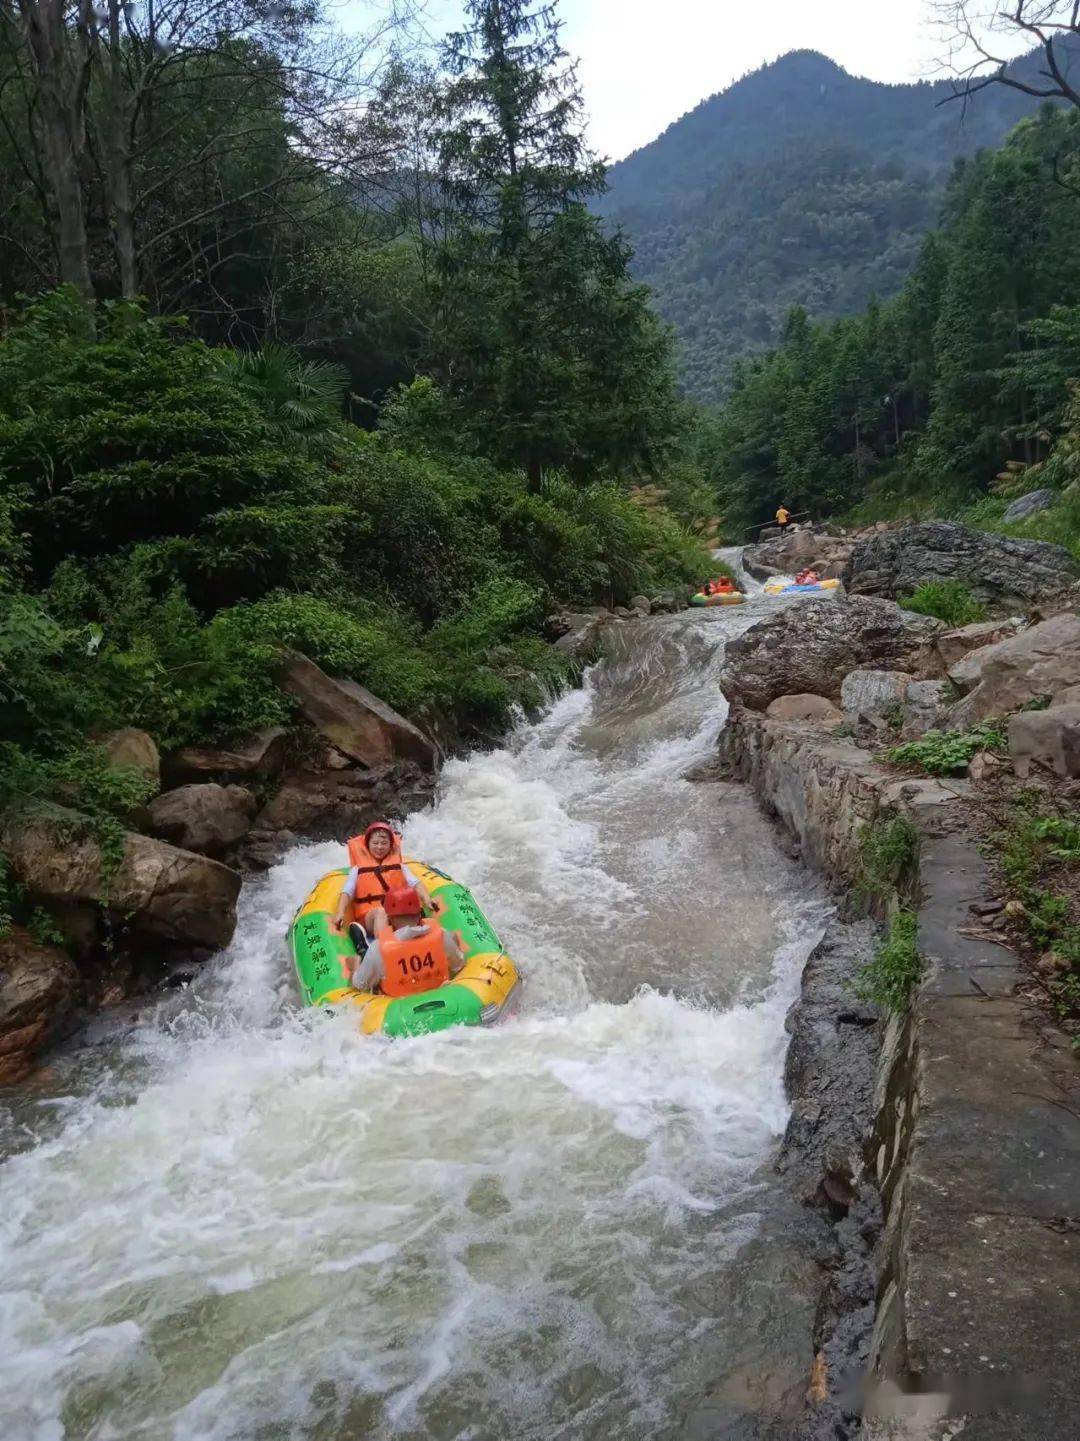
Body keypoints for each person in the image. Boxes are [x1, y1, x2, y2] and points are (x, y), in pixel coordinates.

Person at [349, 885, 466, 996]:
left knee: (367, 972)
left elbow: (360, 986)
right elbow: (458, 966)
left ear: (390, 919)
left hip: (399, 1007)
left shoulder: (377, 948)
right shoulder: (441, 935)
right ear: (419, 914)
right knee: (453, 938)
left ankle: (362, 951)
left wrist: (354, 966)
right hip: (443, 996)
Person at [331, 820, 432, 947]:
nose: (379, 847)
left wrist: (427, 900)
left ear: (391, 845)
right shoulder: (357, 870)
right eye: (375, 843)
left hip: (397, 913)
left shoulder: (400, 866)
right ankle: (383, 949)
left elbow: (415, 883)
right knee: (381, 912)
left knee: (413, 912)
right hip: (370, 916)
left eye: (384, 843)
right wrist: (340, 912)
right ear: (368, 845)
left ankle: (416, 944)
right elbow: (348, 892)